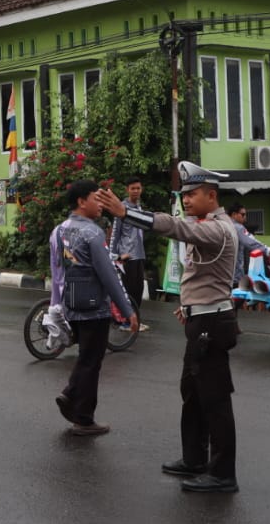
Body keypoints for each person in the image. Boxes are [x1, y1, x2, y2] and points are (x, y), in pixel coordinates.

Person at [100, 162, 240, 493]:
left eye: (192, 195)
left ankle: (223, 474)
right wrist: (188, 306)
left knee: (215, 399)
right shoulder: (205, 223)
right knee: (192, 393)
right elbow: (202, 275)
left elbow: (175, 227)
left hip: (211, 323)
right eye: (184, 195)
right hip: (199, 318)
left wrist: (126, 213)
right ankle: (194, 458)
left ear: (211, 195)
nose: (186, 201)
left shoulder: (218, 228)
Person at [51, 180, 137, 436]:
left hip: (72, 304)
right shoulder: (93, 233)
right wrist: (127, 310)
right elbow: (108, 275)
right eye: (95, 199)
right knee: (92, 362)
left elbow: (57, 272)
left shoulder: (58, 231)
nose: (101, 205)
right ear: (81, 202)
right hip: (94, 308)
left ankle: (70, 395)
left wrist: (58, 306)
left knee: (86, 357)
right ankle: (84, 419)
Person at [109, 177, 147, 318]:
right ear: (127, 190)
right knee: (128, 290)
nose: (136, 191)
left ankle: (134, 320)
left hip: (139, 254)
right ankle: (125, 320)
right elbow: (115, 234)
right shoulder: (121, 209)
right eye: (133, 188)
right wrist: (113, 257)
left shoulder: (139, 208)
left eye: (138, 188)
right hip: (126, 256)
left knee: (139, 289)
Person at [227, 202, 267, 288]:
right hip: (235, 276)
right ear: (234, 214)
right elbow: (251, 243)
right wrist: (268, 250)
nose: (245, 217)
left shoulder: (221, 225)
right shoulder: (238, 227)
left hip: (221, 277)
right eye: (243, 214)